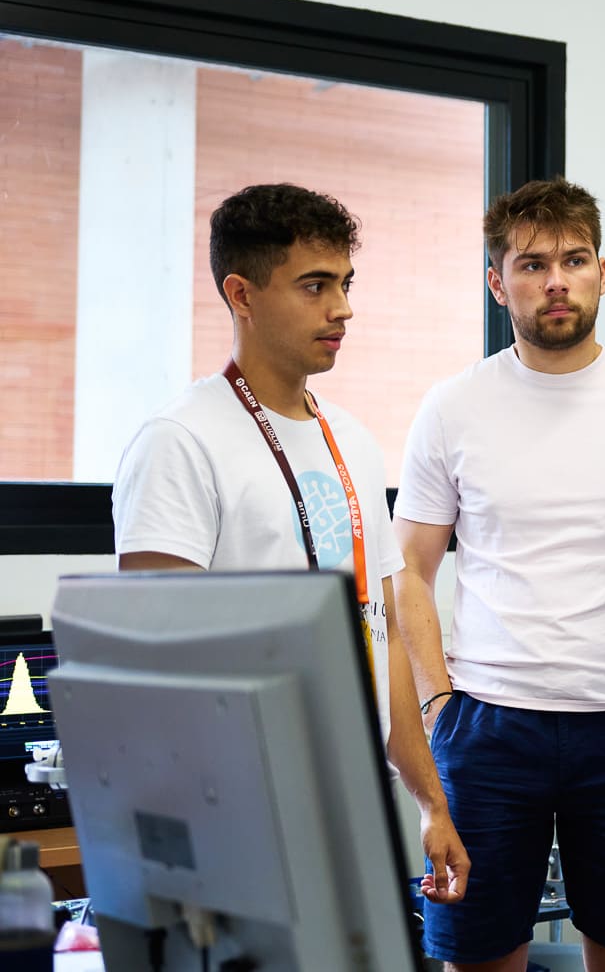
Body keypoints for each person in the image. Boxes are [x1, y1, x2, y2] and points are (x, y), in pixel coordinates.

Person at [111, 182, 468, 903]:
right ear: (241, 294)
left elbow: (383, 637)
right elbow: (153, 671)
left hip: (349, 804)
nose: (342, 308)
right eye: (314, 285)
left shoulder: (352, 440)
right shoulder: (180, 441)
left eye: (345, 284)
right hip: (232, 815)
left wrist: (431, 802)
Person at [391, 178, 605, 972]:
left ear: (602, 271)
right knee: (476, 954)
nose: (556, 281)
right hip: (488, 728)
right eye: (531, 265)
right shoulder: (452, 406)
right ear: (498, 284)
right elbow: (408, 572)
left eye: (573, 260)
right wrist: (438, 706)